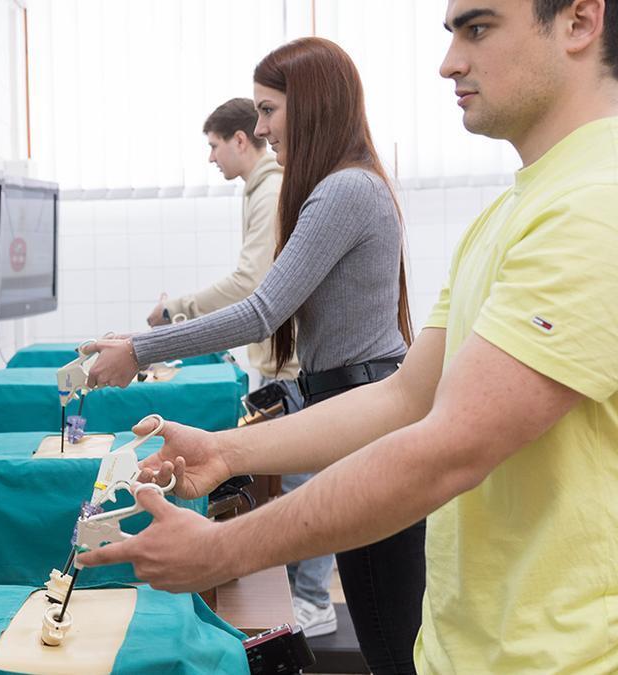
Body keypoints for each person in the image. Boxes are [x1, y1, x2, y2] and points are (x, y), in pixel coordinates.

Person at [78, 1, 618, 672]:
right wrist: (223, 448)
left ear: (579, 22)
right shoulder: (507, 215)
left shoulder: (593, 207)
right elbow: (403, 399)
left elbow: (448, 447)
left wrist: (219, 548)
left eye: (478, 28)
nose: (448, 63)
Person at [84, 37, 425, 671]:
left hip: (362, 404)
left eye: (269, 110)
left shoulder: (344, 190)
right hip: (347, 399)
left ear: (313, 104)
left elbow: (261, 309)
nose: (261, 129)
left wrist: (139, 348)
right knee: (385, 615)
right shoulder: (341, 185)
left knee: (389, 626)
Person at [148, 98, 335, 636]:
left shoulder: (271, 190)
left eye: (213, 145)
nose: (210, 157)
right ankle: (304, 595)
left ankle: (313, 599)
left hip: (291, 366)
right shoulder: (260, 191)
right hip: (280, 362)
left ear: (239, 139)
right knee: (295, 481)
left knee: (303, 483)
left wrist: (174, 315)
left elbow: (251, 288)